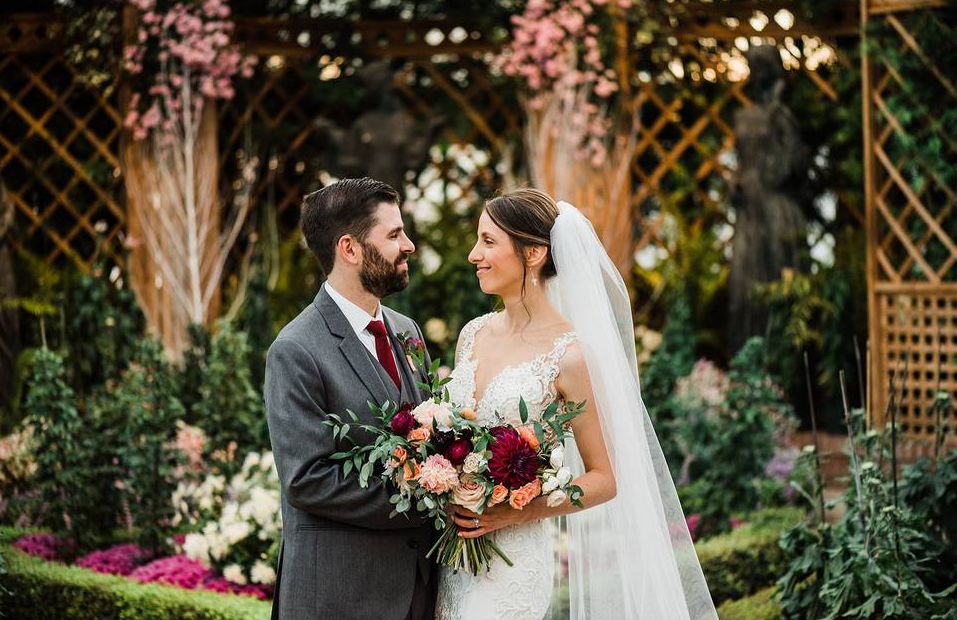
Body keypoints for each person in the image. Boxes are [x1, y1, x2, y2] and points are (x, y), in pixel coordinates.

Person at [436, 188, 718, 620]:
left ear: (533, 253)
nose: (474, 254)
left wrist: (515, 513)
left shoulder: (570, 356)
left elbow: (605, 479)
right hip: (453, 557)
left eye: (489, 241)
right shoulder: (472, 334)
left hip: (512, 561)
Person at [264, 177, 436, 620]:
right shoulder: (296, 349)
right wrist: (429, 495)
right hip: (339, 598)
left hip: (417, 589)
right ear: (350, 249)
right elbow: (307, 479)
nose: (409, 245)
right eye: (394, 234)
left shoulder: (406, 330)